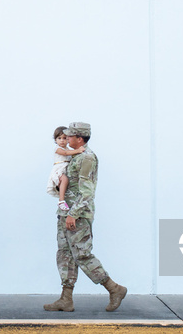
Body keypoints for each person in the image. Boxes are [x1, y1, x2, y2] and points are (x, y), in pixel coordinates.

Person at [43, 122, 128, 313]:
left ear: (79, 138)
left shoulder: (87, 158)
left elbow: (88, 192)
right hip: (65, 213)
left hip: (77, 216)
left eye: (70, 136)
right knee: (65, 254)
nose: (66, 139)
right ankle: (66, 299)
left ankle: (115, 289)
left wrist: (73, 214)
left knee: (82, 254)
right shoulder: (74, 157)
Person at [47, 126, 85, 211]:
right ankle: (61, 200)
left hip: (65, 168)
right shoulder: (58, 149)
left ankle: (65, 198)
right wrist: (78, 150)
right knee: (64, 180)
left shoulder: (68, 149)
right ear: (55, 140)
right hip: (59, 169)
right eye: (59, 138)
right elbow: (65, 153)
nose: (62, 140)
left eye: (64, 138)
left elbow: (69, 153)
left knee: (67, 181)